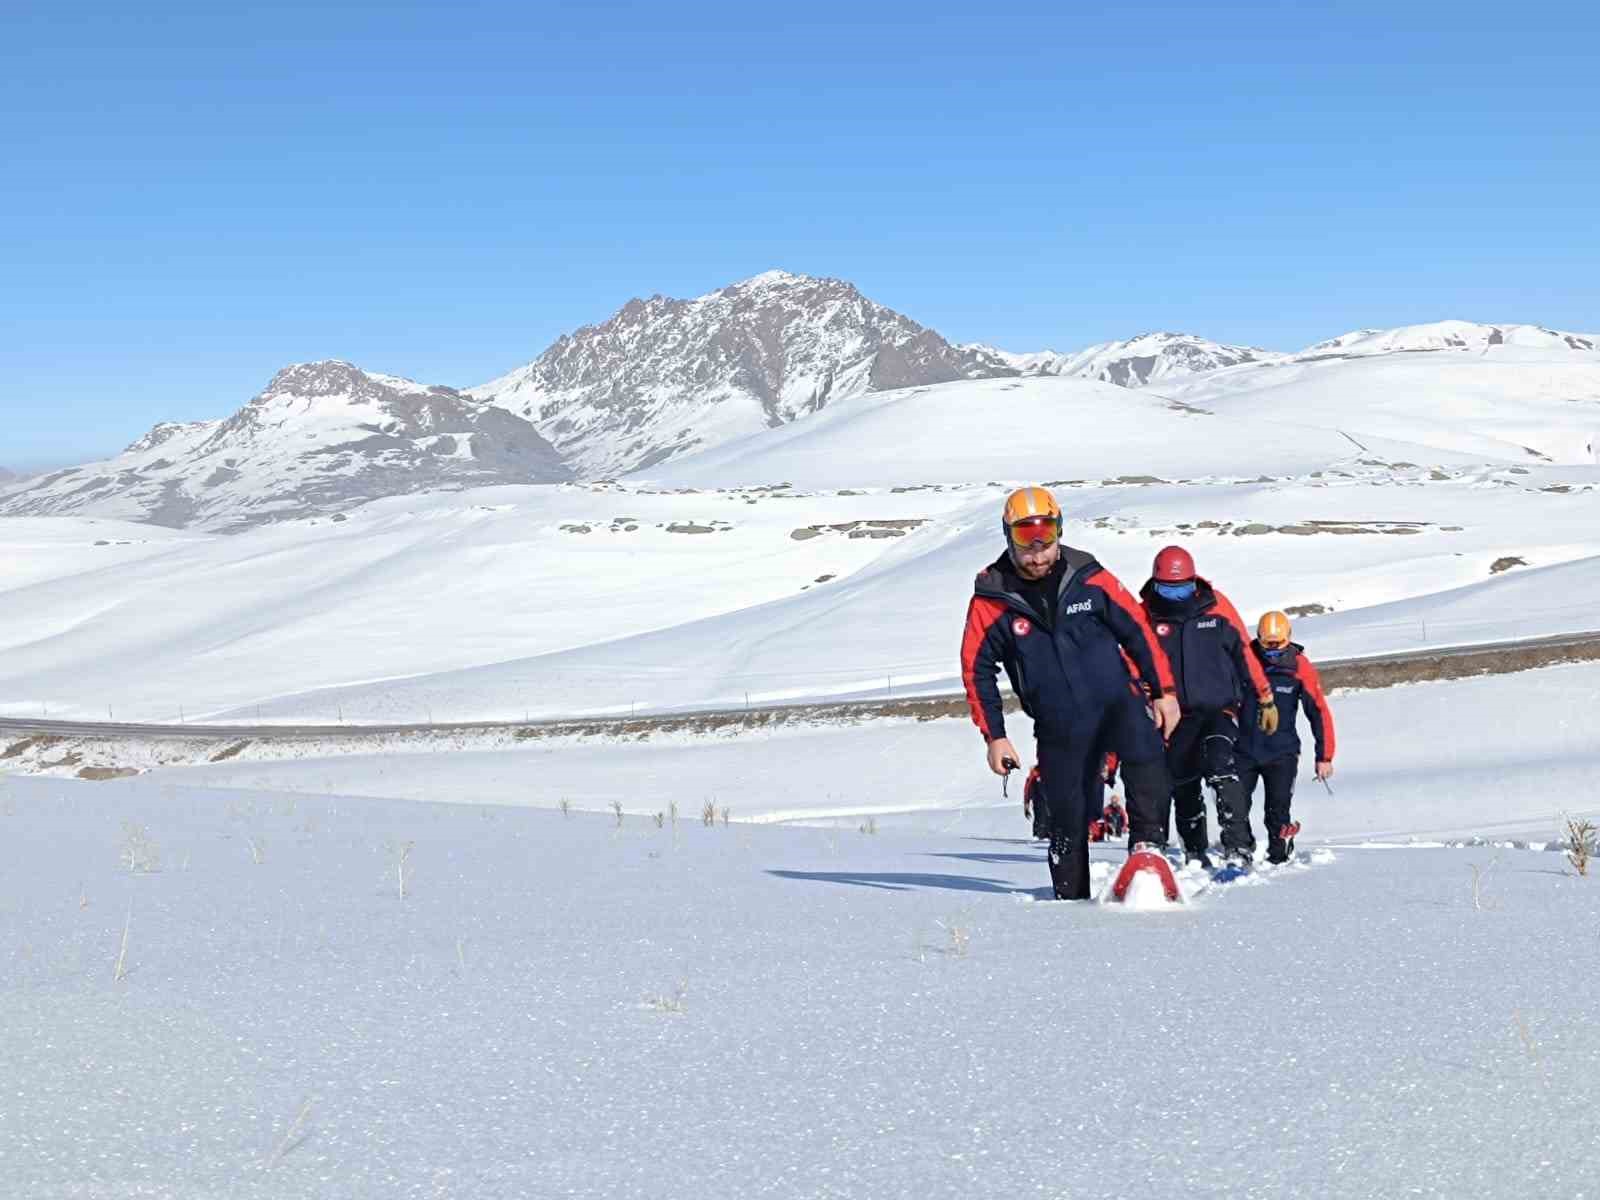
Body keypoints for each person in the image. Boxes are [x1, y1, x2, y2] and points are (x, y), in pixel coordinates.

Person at [961, 487, 1181, 899]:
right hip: (1058, 724)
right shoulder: (992, 599)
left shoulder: (1089, 576)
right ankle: (1070, 900)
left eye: (1047, 538)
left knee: (1147, 756)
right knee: (1066, 817)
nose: (1038, 552)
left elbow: (1137, 631)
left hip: (1118, 701)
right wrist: (995, 736)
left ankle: (1148, 849)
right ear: (1009, 537)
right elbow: (977, 672)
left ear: (1059, 532)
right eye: (1026, 541)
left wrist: (1163, 691)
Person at [1139, 545, 1277, 870]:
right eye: (1167, 589)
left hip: (1219, 709)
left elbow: (1245, 654)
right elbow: (1131, 662)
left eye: (1182, 588)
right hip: (1175, 717)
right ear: (1156, 584)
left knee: (1221, 768)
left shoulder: (1217, 608)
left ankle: (1239, 846)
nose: (1175, 596)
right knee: (1182, 783)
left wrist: (1265, 696)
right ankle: (1194, 851)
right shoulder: (1144, 614)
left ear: (1194, 580)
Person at [1238, 611, 1337, 863]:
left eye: (1278, 645)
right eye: (1266, 645)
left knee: (1277, 810)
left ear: (1288, 639)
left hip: (1282, 752)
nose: (1271, 651)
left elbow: (1318, 711)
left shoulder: (1300, 666)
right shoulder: (1244, 660)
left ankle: (1279, 854)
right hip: (1243, 748)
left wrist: (1324, 756)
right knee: (1235, 808)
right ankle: (1240, 850)